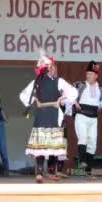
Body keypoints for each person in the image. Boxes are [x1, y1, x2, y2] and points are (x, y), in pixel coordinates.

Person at [19, 51, 78, 183]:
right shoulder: (36, 82)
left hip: (54, 113)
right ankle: (39, 173)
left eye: (52, 67)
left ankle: (51, 172)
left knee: (53, 144)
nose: (51, 69)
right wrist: (34, 99)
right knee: (41, 144)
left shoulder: (59, 81)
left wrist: (62, 98)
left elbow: (73, 92)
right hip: (42, 113)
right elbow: (23, 95)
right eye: (49, 67)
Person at [72, 60, 102, 179]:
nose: (88, 76)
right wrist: (74, 102)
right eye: (87, 74)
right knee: (83, 138)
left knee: (92, 142)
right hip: (81, 115)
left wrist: (99, 106)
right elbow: (68, 93)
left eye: (91, 74)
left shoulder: (101, 88)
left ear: (96, 76)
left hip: (93, 117)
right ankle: (82, 161)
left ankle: (88, 170)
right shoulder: (79, 85)